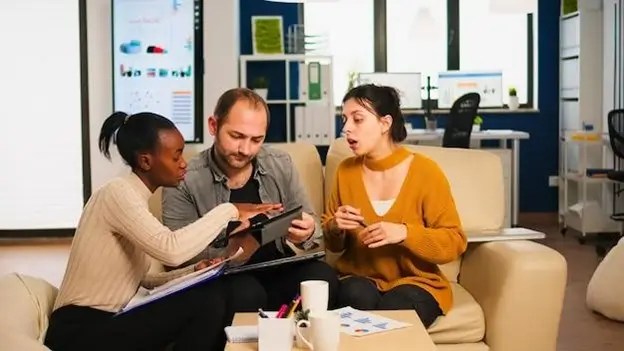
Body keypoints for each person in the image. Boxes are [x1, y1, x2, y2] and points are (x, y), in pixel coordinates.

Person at [44, 111, 276, 351]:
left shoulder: (135, 200)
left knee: (210, 290)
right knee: (206, 301)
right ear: (146, 161)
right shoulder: (117, 193)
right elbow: (171, 250)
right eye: (176, 156)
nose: (184, 162)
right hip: (79, 331)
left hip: (108, 320)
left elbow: (143, 280)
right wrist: (229, 210)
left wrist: (192, 272)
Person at [162, 88, 339, 311]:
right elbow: (176, 254)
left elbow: (312, 224)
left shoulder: (280, 163)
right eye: (236, 136)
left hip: (277, 267)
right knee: (246, 293)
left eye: (257, 140)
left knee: (322, 277)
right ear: (213, 126)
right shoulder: (185, 177)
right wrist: (231, 250)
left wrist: (308, 230)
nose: (246, 149)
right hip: (227, 276)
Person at [321, 84, 468, 328]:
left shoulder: (426, 172)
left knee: (396, 310)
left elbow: (454, 242)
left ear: (385, 123)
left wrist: (405, 233)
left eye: (357, 119)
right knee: (354, 297)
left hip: (416, 282)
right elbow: (334, 246)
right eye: (344, 119)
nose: (346, 128)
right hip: (358, 277)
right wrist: (336, 226)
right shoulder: (345, 171)